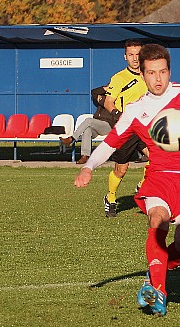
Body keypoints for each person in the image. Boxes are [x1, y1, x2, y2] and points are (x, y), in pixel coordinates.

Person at [74, 43, 180, 317]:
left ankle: (156, 270)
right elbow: (110, 143)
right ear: (143, 74)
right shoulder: (136, 109)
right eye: (151, 73)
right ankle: (158, 291)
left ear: (169, 71)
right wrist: (89, 166)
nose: (158, 79)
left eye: (162, 72)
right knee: (157, 218)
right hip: (159, 177)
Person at [62, 39, 149, 217]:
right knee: (121, 169)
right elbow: (108, 101)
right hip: (126, 128)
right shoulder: (119, 78)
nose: (134, 58)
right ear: (125, 56)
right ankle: (110, 198)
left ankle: (143, 187)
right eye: (131, 54)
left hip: (145, 126)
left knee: (158, 158)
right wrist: (117, 113)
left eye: (138, 54)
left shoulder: (149, 74)